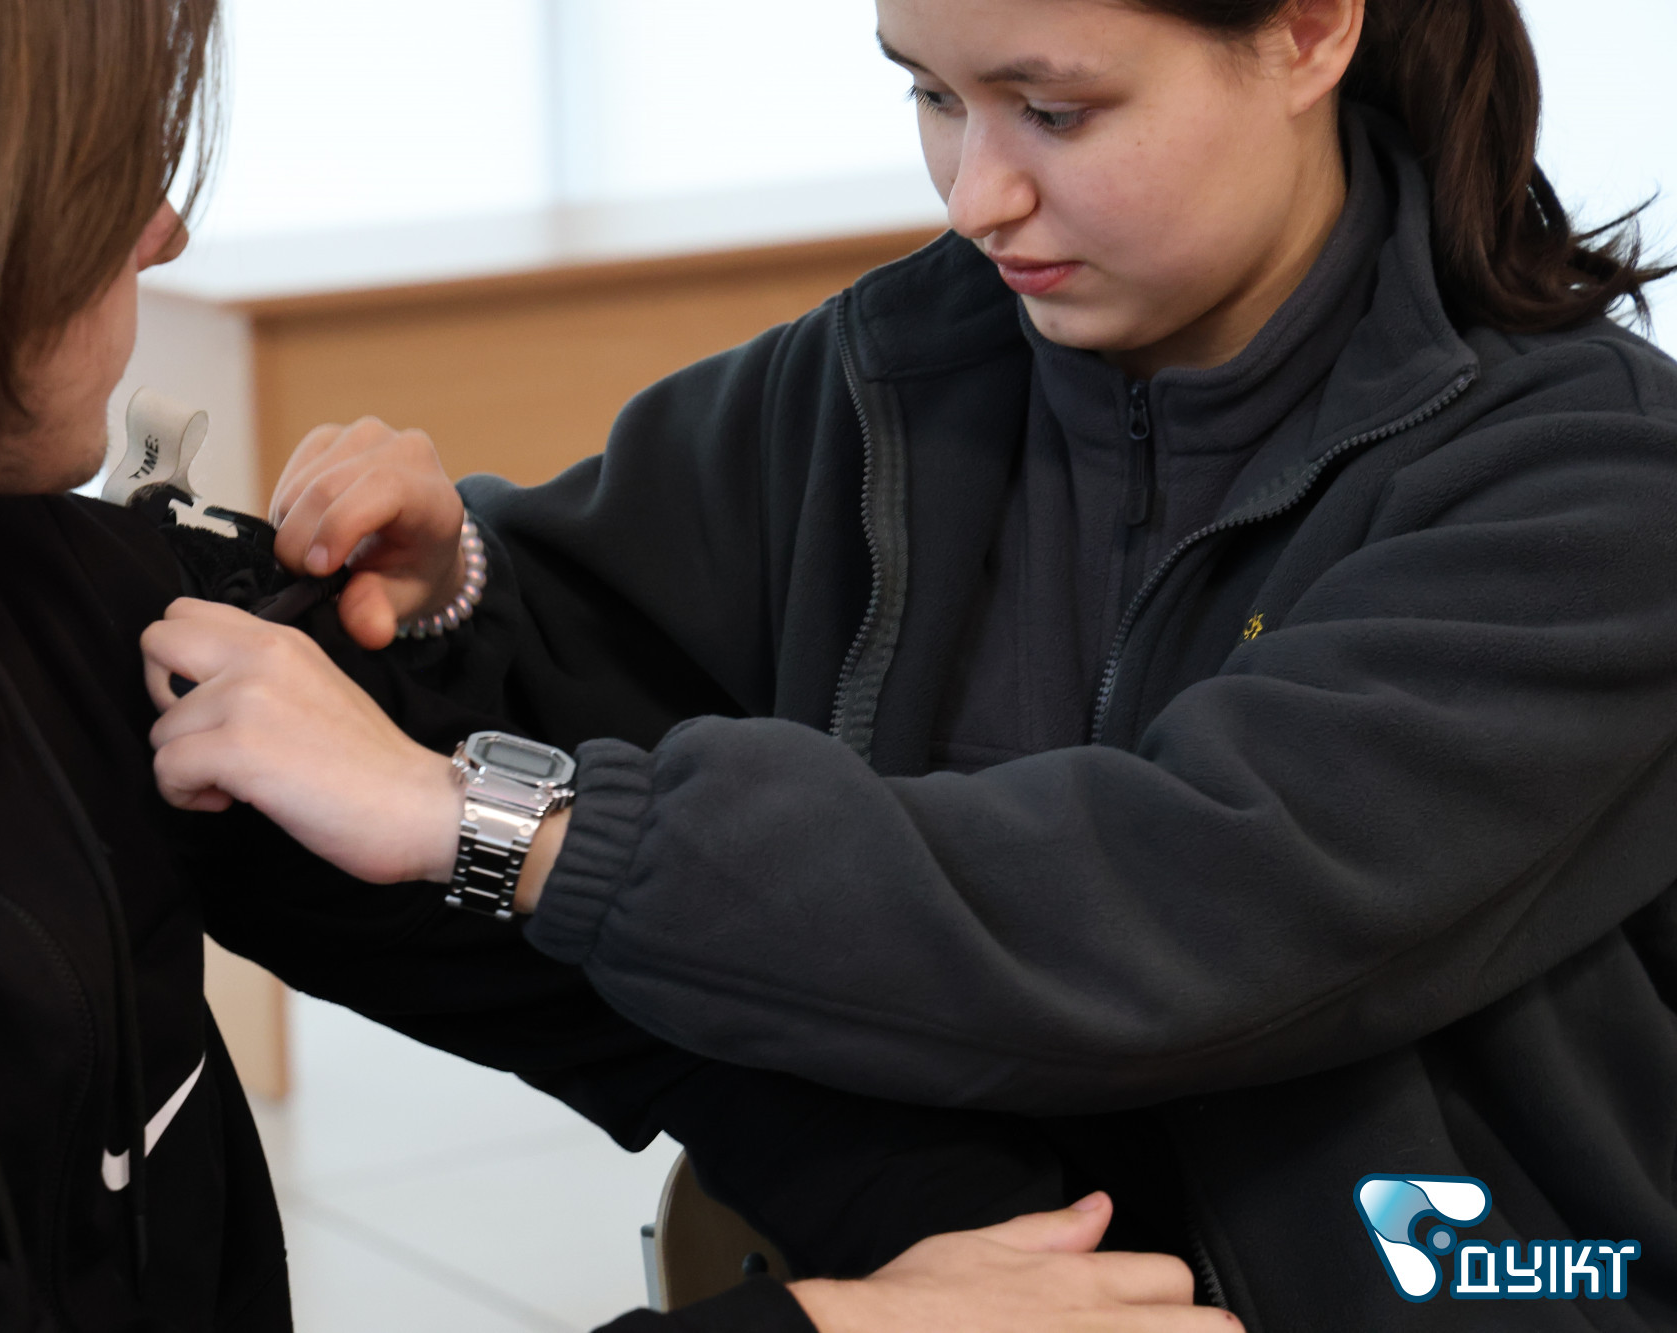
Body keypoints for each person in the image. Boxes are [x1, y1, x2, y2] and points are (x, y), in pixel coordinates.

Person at [0, 1, 1244, 1331]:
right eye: (112, 178)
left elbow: (654, 986)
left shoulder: (85, 603)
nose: (162, 231)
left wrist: (1007, 1247)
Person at [143, 0, 1677, 1325]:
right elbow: (599, 655)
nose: (975, 194)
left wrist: (498, 821)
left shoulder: (1593, 485)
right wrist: (447, 598)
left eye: (1054, 111)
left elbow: (1167, 906)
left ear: (1310, 30)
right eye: (932, 95)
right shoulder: (882, 379)